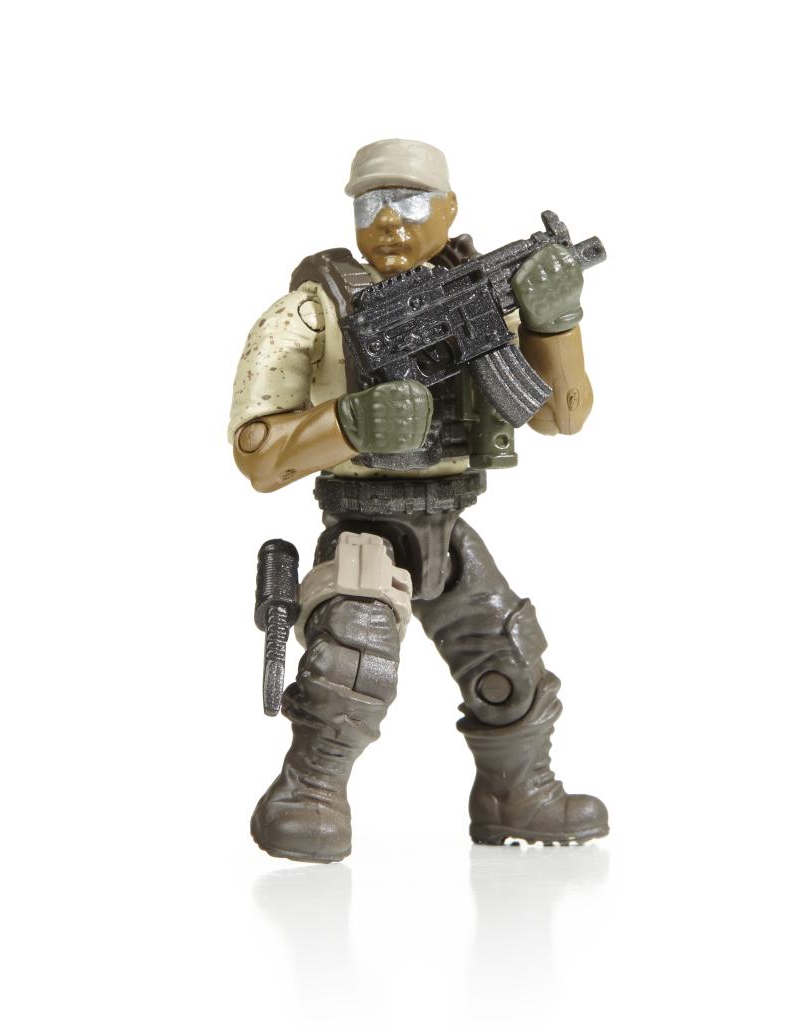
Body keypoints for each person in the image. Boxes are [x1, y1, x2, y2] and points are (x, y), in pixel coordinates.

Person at [228, 139, 607, 863]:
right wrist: (345, 424)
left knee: (509, 657)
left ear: (450, 209)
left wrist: (556, 323)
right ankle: (307, 793)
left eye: (409, 201)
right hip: (364, 523)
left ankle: (516, 795)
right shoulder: (312, 313)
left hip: (450, 520)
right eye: (371, 203)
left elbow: (561, 417)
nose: (388, 220)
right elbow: (256, 454)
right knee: (352, 663)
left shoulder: (480, 293)